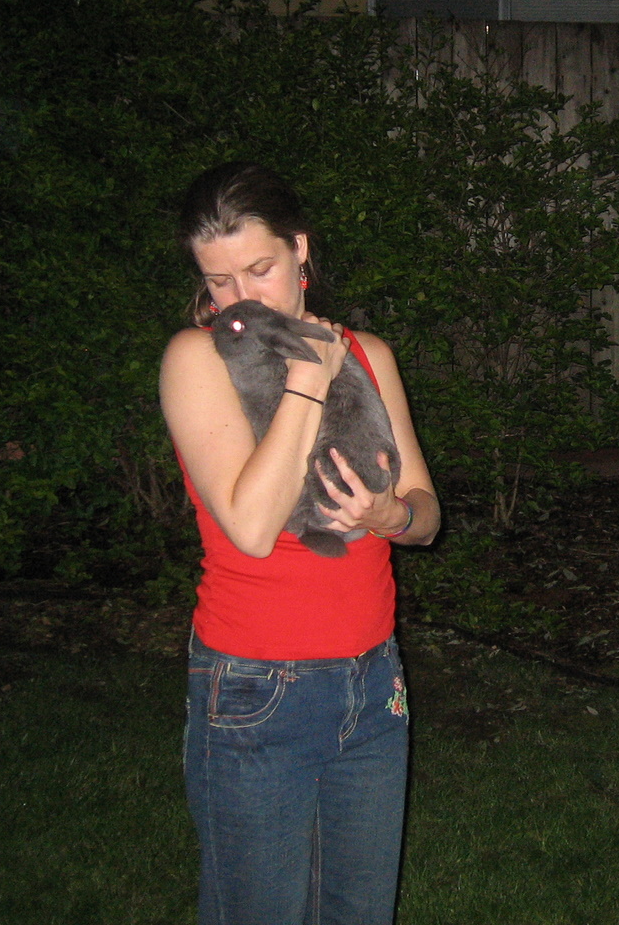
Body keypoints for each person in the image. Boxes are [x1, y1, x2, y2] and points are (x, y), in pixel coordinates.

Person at [160, 162, 440, 925]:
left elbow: (427, 516)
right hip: (255, 690)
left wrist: (388, 515)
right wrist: (309, 379)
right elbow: (252, 528)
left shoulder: (371, 355)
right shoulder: (196, 360)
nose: (241, 298)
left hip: (373, 684)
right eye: (218, 281)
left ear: (301, 250)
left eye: (260, 269)